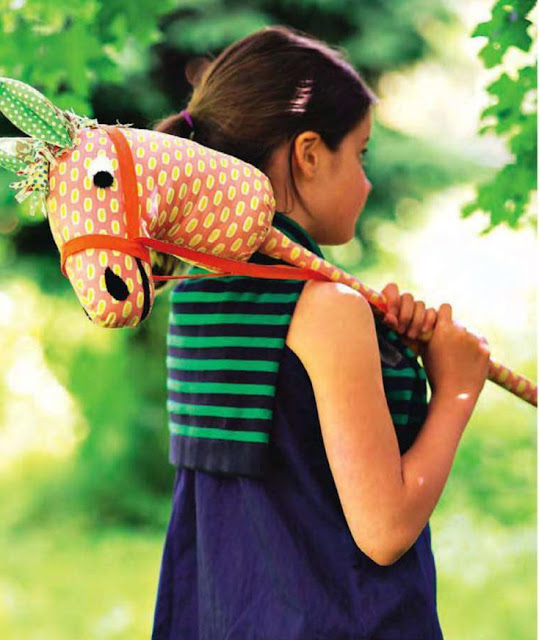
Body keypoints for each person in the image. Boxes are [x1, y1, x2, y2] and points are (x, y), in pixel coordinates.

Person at [150, 25, 491, 640]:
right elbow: (384, 530)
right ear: (309, 153)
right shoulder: (327, 309)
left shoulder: (194, 297)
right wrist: (457, 388)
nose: (366, 180)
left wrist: (391, 353)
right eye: (360, 154)